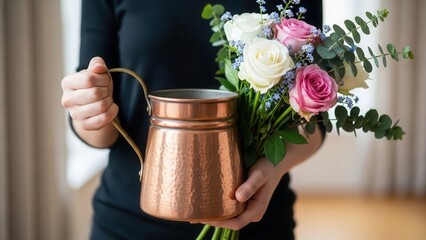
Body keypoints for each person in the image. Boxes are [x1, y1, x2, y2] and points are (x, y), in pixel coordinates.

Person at [61, 0, 324, 239]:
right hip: (128, 225)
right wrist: (91, 108)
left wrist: (273, 168)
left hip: (258, 223)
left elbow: (313, 121)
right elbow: (95, 119)